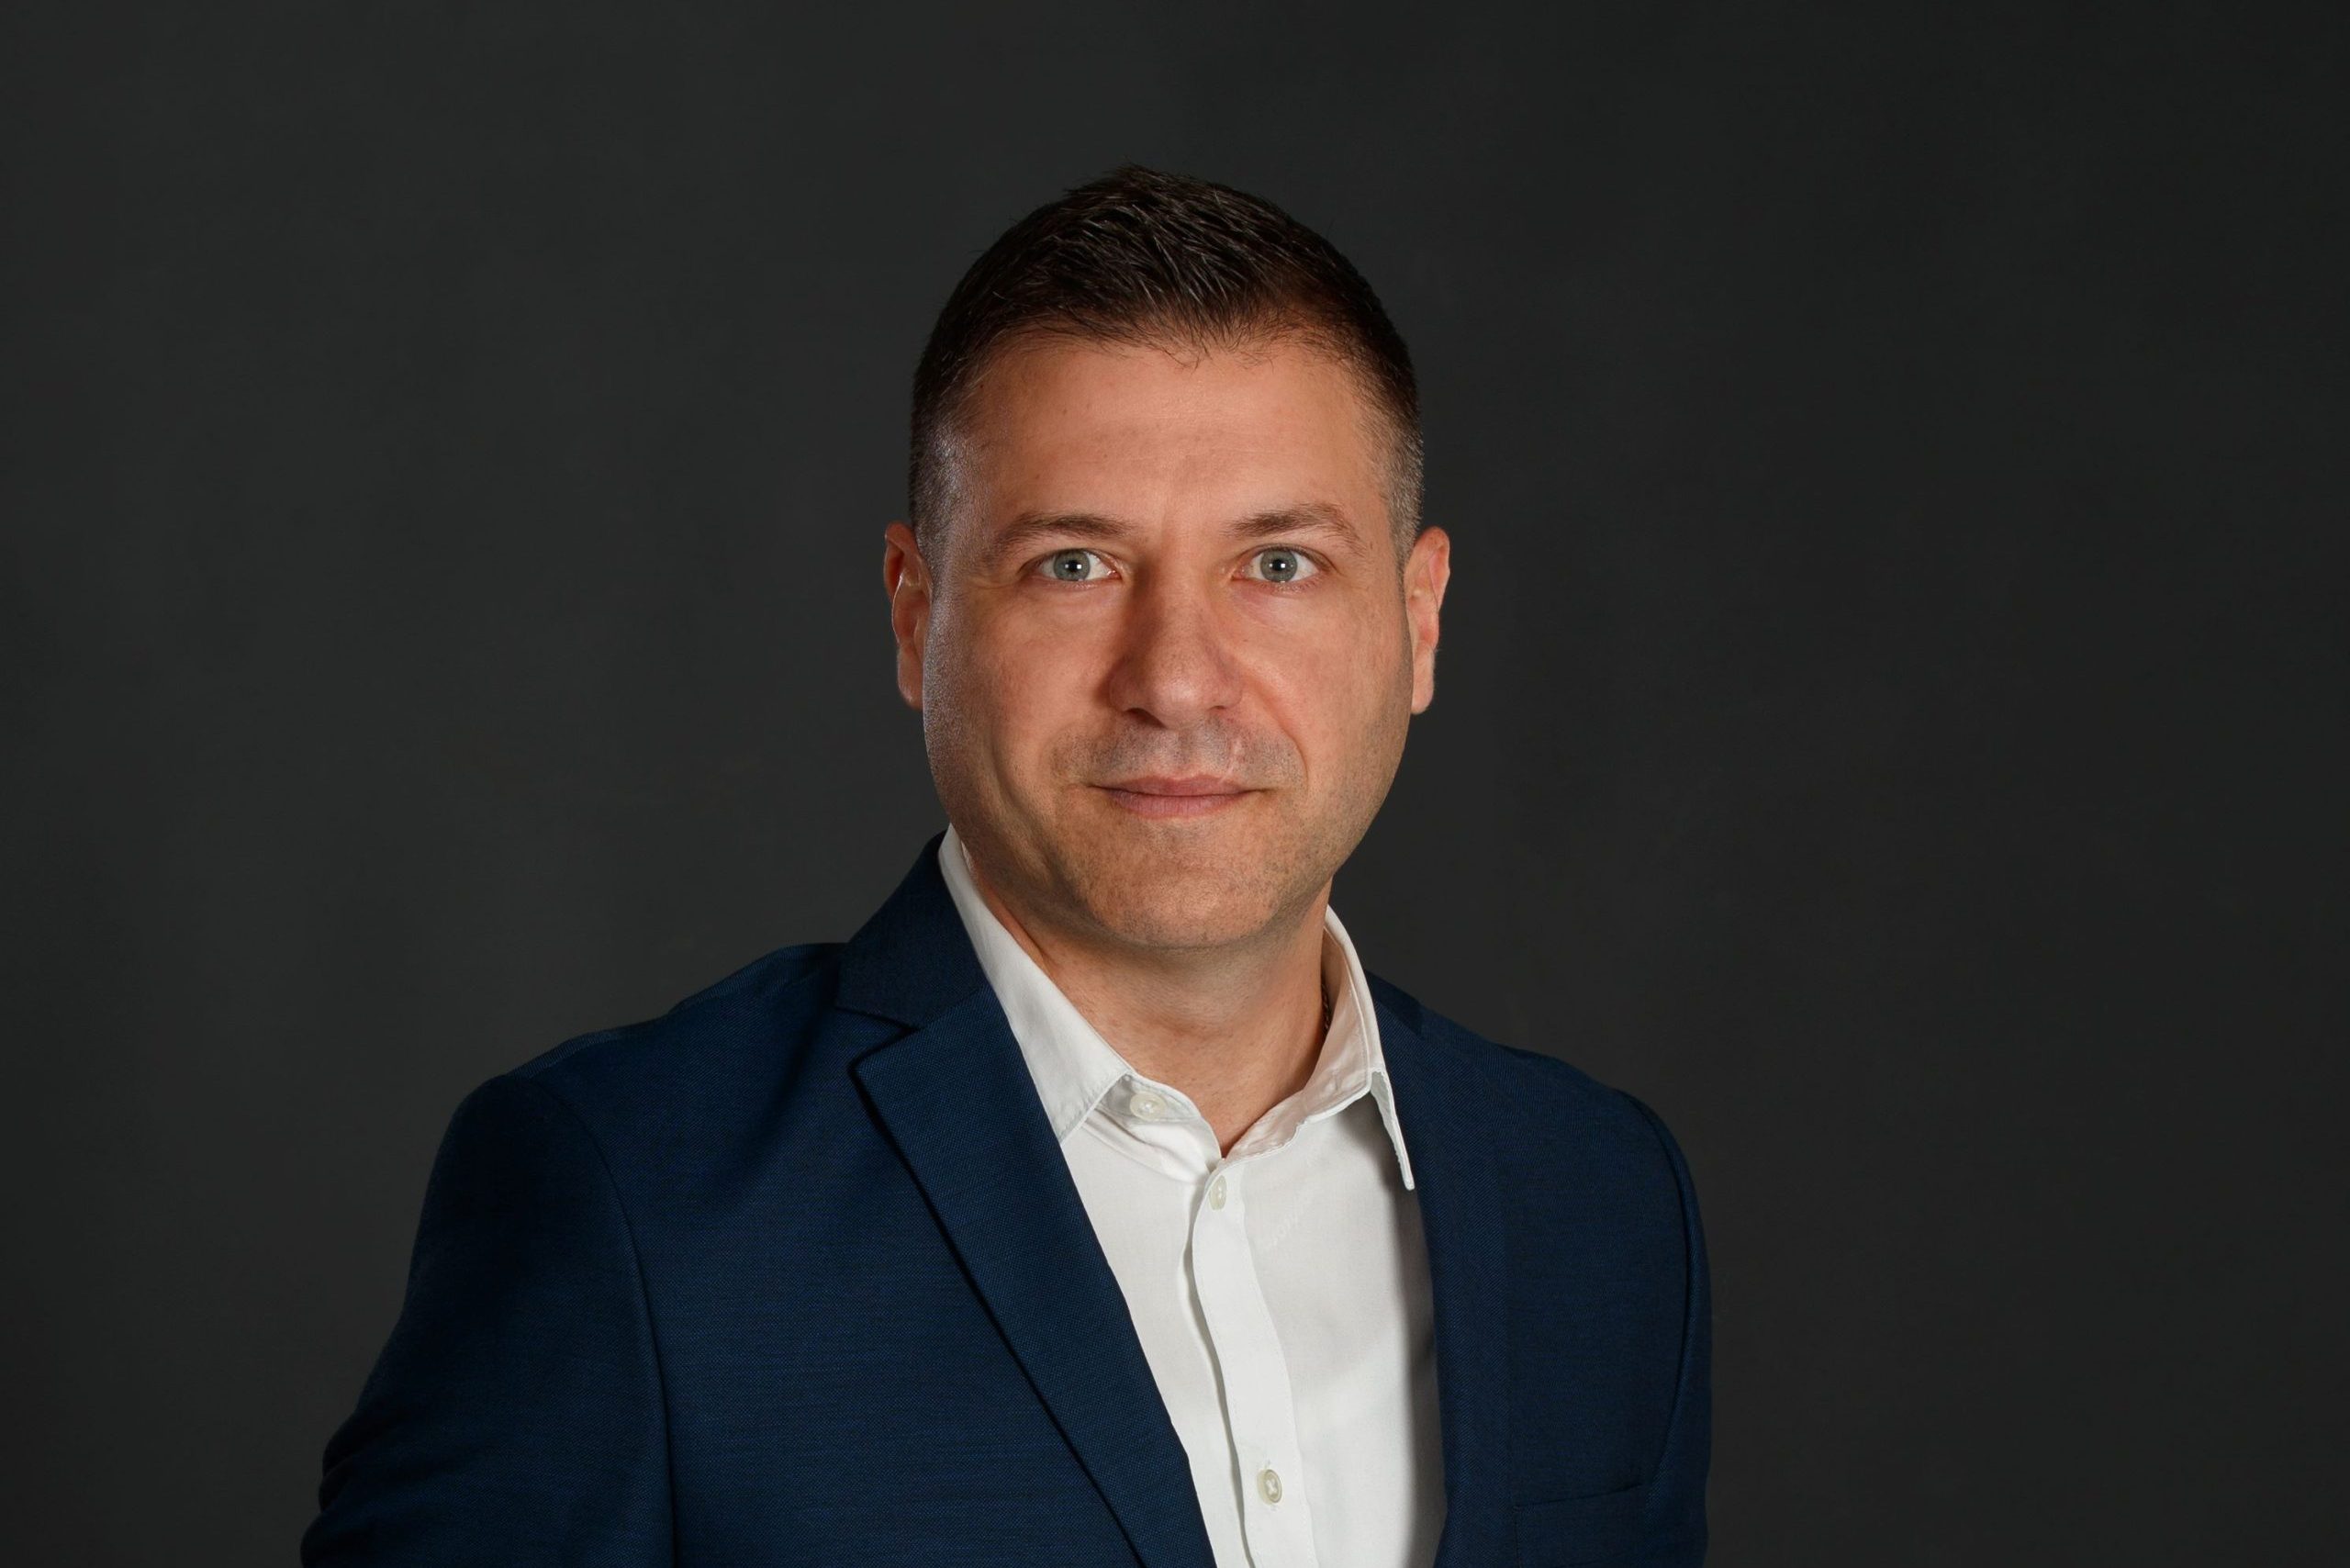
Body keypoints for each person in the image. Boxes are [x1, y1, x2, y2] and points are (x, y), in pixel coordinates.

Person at [302, 165, 1710, 1568]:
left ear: (1419, 620)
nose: (1177, 680)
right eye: (1075, 566)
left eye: (1279, 565)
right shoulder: (628, 1200)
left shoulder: (1597, 1201)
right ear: (916, 618)